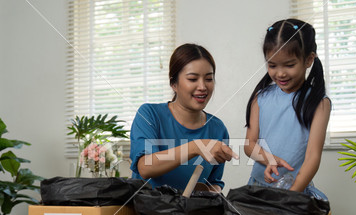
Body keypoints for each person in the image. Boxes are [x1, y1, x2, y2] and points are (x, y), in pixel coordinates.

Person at [130, 43, 237, 192]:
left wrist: (212, 193)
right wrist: (196, 147)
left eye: (208, 79)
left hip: (192, 214)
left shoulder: (218, 129)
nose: (202, 87)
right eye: (193, 79)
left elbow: (214, 182)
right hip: (148, 212)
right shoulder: (149, 114)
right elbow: (145, 167)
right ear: (174, 83)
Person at [244, 19, 331, 200]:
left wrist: (291, 197)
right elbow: (249, 145)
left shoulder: (319, 103)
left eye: (289, 65)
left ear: (308, 60)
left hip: (295, 191)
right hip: (258, 189)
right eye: (272, 65)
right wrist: (269, 159)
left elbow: (312, 157)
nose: (280, 73)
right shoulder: (261, 98)